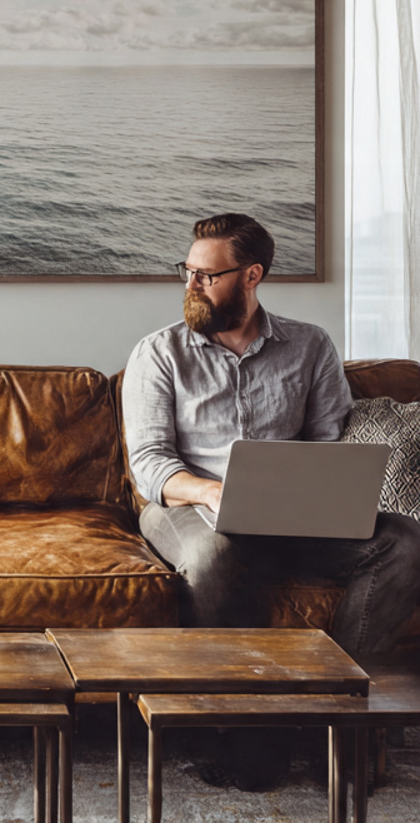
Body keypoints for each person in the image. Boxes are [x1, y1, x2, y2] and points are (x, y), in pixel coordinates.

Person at [123, 213, 420, 788]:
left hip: (291, 512)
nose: (190, 286)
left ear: (251, 275)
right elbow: (151, 465)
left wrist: (305, 494)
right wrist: (214, 491)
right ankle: (248, 734)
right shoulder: (159, 353)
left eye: (206, 276)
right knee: (214, 556)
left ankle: (333, 712)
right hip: (187, 507)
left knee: (405, 542)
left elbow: (328, 441)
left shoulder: (309, 345)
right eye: (186, 272)